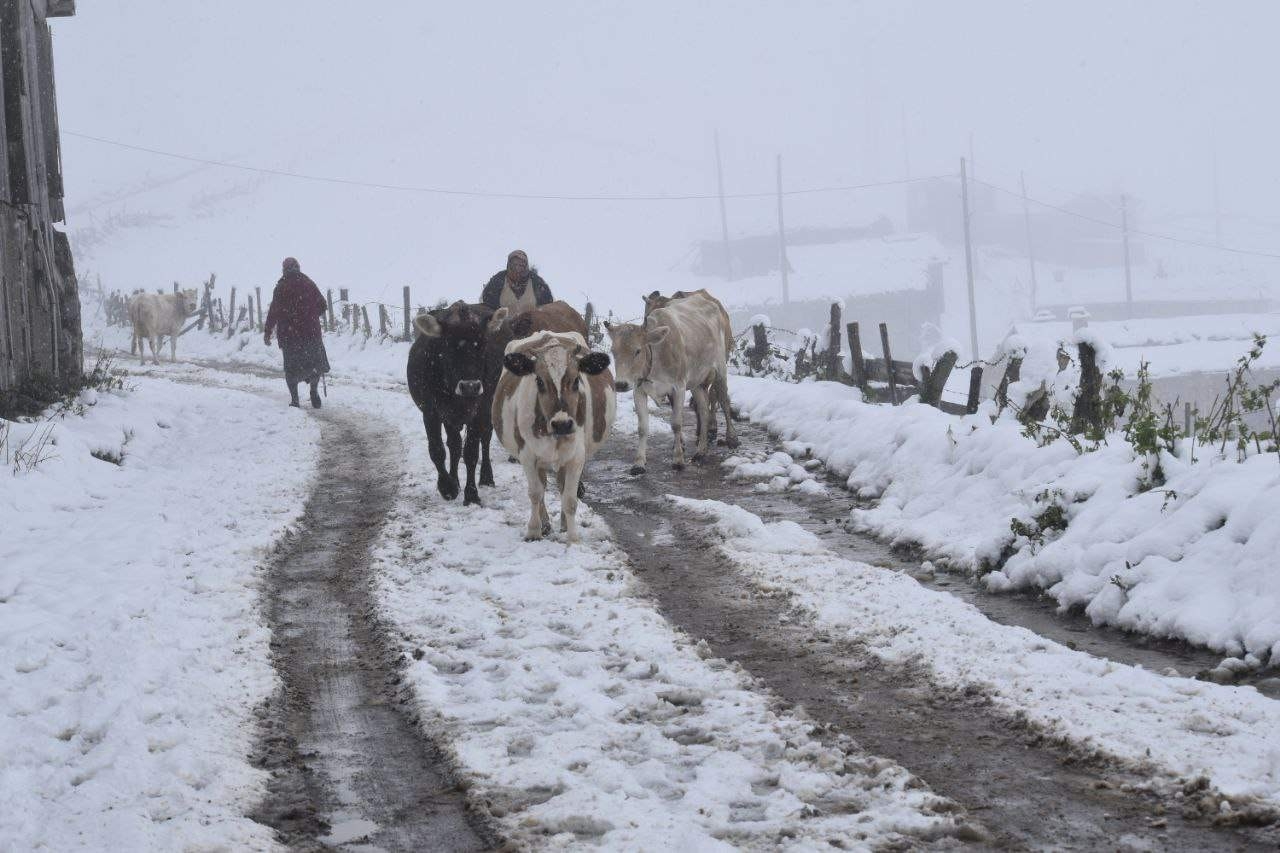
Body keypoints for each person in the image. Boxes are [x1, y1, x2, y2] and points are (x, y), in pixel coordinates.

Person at [264, 257, 330, 408]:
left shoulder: (281, 287)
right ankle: (314, 391)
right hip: (311, 334)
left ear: (284, 270)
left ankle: (295, 400)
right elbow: (323, 305)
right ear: (298, 267)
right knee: (315, 366)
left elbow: (273, 312)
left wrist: (268, 332)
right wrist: (310, 315)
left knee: (292, 370)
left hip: (290, 337)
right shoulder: (308, 283)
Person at [480, 249, 553, 313]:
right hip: (503, 327)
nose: (517, 268)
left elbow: (548, 308)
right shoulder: (497, 282)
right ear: (509, 265)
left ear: (526, 266)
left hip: (533, 326)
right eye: (514, 264)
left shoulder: (537, 283)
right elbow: (487, 308)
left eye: (521, 265)